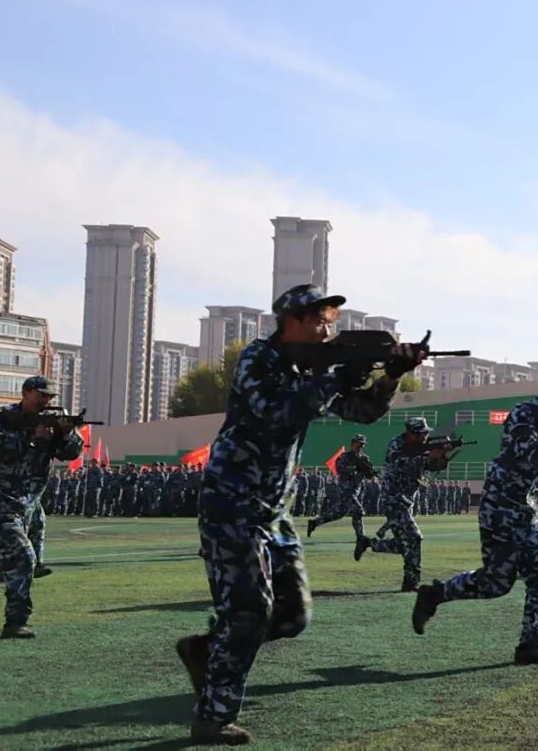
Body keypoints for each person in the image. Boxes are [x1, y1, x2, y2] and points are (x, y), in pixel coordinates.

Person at [174, 284, 425, 745]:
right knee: (249, 613)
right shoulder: (259, 360)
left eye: (330, 323)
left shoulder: (313, 369)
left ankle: (206, 650)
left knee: (292, 616)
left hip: (275, 510)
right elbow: (278, 412)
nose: (327, 331)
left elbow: (362, 412)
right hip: (233, 501)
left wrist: (390, 376)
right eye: (320, 322)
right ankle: (213, 716)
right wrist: (337, 376)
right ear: (292, 321)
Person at [412, 372, 538, 664]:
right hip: (501, 505)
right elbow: (528, 452)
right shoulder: (524, 414)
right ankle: (435, 594)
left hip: (530, 511)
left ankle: (531, 644)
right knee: (496, 583)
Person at [0, 376, 83, 637]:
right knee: (24, 558)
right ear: (25, 393)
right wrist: (32, 438)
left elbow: (71, 453)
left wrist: (65, 434)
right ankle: (16, 623)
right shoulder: (2, 417)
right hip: (0, 501)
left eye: (49, 396)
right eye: (41, 395)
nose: (46, 401)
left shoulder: (54, 420)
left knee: (19, 560)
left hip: (31, 505)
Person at [354, 418, 448, 591]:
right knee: (414, 538)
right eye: (423, 433)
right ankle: (411, 582)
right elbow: (404, 465)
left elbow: (432, 466)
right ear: (412, 434)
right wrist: (428, 455)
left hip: (406, 501)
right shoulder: (396, 445)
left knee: (403, 544)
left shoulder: (420, 447)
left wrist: (441, 457)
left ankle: (368, 543)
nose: (426, 436)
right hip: (393, 500)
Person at [309, 436, 375, 540]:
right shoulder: (345, 457)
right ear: (353, 444)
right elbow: (339, 469)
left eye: (363, 445)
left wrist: (369, 472)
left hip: (355, 489)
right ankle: (361, 537)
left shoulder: (364, 459)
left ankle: (314, 523)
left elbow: (368, 475)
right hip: (346, 489)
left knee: (338, 513)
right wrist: (354, 468)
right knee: (358, 510)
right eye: (359, 444)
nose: (361, 447)